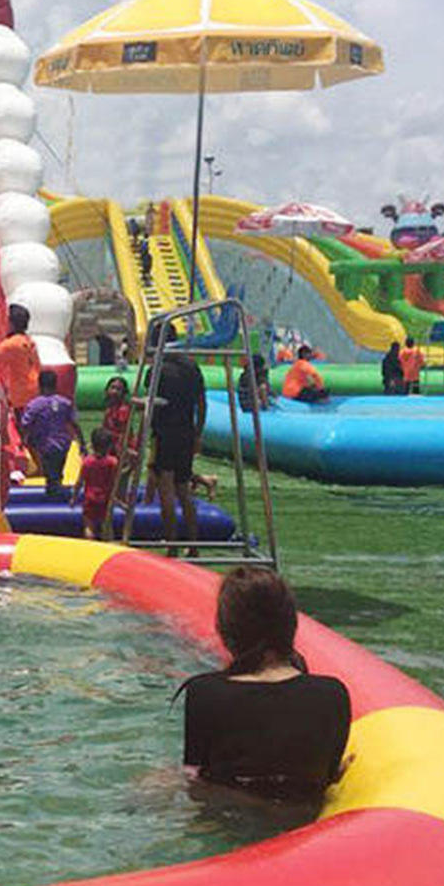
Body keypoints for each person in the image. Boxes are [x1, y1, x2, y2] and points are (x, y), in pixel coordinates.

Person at [174, 566, 352, 801]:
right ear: (291, 624)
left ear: (226, 631)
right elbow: (329, 775)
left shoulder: (205, 693)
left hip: (227, 813)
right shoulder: (333, 694)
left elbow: (195, 776)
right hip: (303, 814)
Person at [148, 326, 207, 556]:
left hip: (165, 433)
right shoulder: (191, 366)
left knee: (166, 489)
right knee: (183, 489)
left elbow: (152, 402)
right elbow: (201, 403)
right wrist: (198, 433)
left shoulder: (158, 368)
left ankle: (172, 544)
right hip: (185, 432)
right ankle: (193, 545)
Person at [18, 370, 81, 502]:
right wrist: (82, 442)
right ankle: (58, 492)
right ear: (55, 384)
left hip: (44, 444)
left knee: (50, 473)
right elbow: (74, 423)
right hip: (63, 443)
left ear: (39, 385)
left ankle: (54, 497)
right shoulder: (65, 402)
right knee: (57, 470)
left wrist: (23, 440)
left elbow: (25, 424)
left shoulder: (35, 404)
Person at [0, 304, 41, 418]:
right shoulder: (29, 341)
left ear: (11, 323)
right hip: (35, 391)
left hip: (21, 396)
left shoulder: (11, 345)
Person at [74, 425, 121, 541]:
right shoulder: (113, 462)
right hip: (106, 498)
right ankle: (108, 543)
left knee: (89, 525)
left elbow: (80, 481)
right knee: (107, 525)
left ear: (92, 445)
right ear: (109, 446)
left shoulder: (87, 462)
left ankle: (90, 542)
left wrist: (74, 497)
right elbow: (116, 481)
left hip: (90, 498)